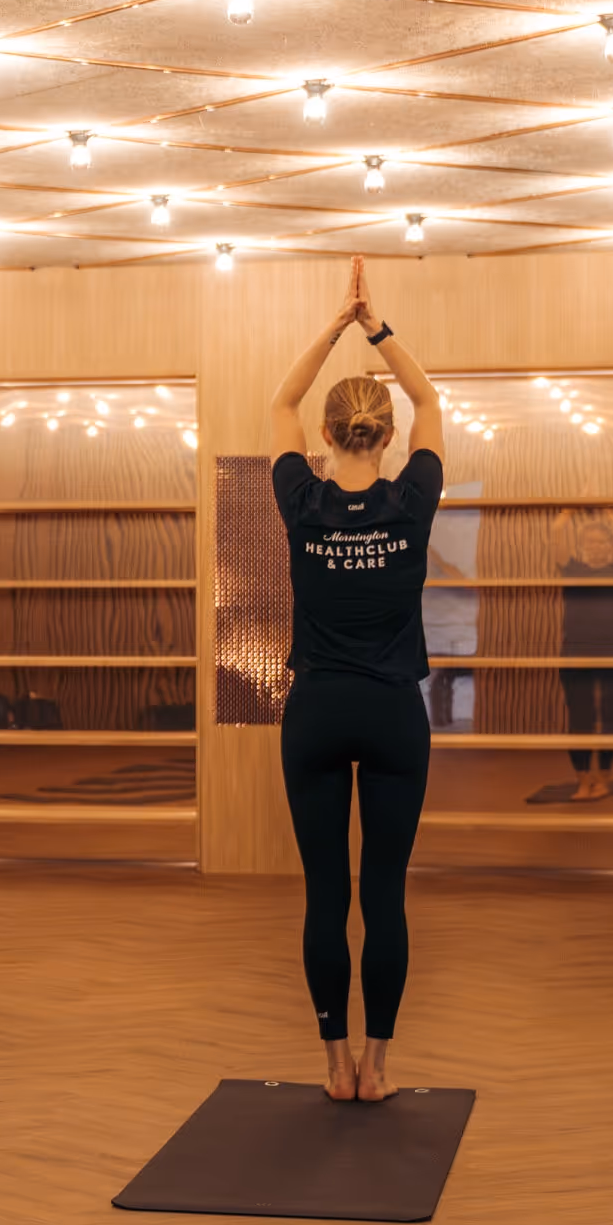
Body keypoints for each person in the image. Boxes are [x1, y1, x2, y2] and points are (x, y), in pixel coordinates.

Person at [266, 256, 448, 1103]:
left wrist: (335, 326)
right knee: (384, 896)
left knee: (324, 897)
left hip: (314, 714)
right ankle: (378, 1065)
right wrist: (377, 328)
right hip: (390, 716)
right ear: (384, 436)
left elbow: (279, 403)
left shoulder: (301, 500)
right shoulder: (412, 500)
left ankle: (332, 1062)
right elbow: (433, 403)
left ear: (329, 439)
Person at [554, 508, 613, 802]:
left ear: (610, 547)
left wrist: (608, 510)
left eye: (602, 542)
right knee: (580, 718)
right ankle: (583, 781)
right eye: (590, 542)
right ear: (582, 546)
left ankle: (603, 777)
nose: (596, 546)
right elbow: (556, 532)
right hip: (576, 652)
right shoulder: (572, 569)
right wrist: (570, 509)